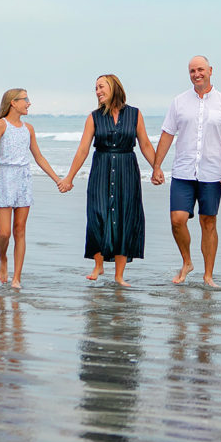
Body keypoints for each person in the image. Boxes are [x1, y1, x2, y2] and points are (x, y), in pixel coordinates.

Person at [60, 74, 157, 287]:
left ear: (114, 87)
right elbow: (83, 149)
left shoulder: (135, 114)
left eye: (101, 87)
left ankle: (119, 275)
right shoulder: (93, 117)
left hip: (126, 169)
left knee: (125, 218)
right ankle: (98, 265)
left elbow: (145, 145)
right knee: (97, 215)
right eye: (95, 88)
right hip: (101, 168)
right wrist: (69, 177)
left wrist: (156, 167)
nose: (97, 91)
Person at [151, 56, 221, 286]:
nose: (196, 74)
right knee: (177, 220)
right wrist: (157, 166)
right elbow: (167, 134)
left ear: (210, 70)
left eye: (200, 69)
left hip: (212, 173)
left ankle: (208, 275)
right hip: (183, 172)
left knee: (208, 222)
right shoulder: (179, 102)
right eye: (192, 71)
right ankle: (187, 261)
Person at [0, 88, 64, 288]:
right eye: (25, 99)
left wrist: (58, 179)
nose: (29, 103)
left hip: (23, 179)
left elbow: (38, 157)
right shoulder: (0, 126)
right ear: (13, 102)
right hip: (4, 178)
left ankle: (16, 278)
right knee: (5, 233)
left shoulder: (28, 129)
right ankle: (3, 259)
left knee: (20, 230)